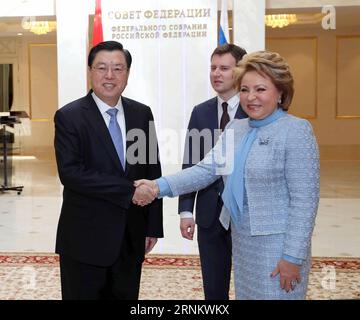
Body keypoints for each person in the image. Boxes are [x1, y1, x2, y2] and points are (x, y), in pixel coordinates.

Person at [135, 51, 320, 300]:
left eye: (260, 89)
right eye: (244, 89)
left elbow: (304, 203)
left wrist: (293, 257)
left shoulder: (296, 131)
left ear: (281, 93)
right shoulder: (237, 128)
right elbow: (205, 170)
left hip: (279, 250)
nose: (251, 97)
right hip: (244, 244)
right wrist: (158, 186)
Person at [54, 41, 163, 300]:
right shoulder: (70, 116)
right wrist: (129, 190)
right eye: (102, 68)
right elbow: (71, 173)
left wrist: (153, 226)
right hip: (84, 238)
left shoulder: (141, 114)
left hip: (130, 235)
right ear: (90, 71)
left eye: (118, 68)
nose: (110, 75)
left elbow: (151, 168)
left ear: (127, 73)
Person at [179, 44, 247, 300]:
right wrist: (186, 210)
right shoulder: (201, 111)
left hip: (244, 214)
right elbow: (191, 162)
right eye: (213, 67)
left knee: (250, 284)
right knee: (214, 289)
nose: (216, 73)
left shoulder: (254, 109)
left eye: (224, 68)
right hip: (208, 214)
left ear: (239, 71)